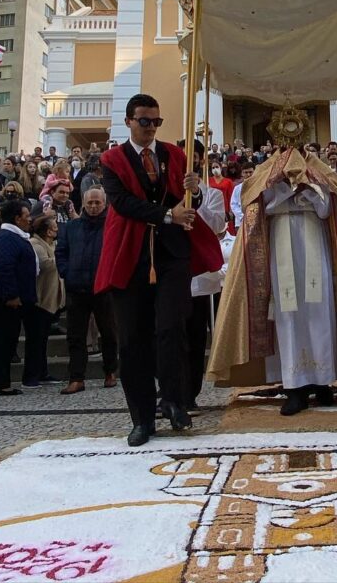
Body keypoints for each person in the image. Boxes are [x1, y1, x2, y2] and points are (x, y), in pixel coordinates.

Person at [208, 144, 337, 417]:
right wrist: (286, 189)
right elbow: (258, 204)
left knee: (320, 313)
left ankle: (322, 380)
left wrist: (308, 189)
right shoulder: (266, 172)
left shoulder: (320, 170)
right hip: (281, 245)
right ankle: (294, 385)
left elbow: (328, 206)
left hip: (315, 245)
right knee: (288, 314)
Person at [94, 94, 222, 447]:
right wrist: (167, 215)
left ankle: (175, 400)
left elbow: (184, 199)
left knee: (171, 328)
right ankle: (142, 417)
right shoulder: (112, 160)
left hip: (171, 255)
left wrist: (194, 194)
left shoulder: (174, 155)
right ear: (129, 121)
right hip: (130, 253)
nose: (151, 128)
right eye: (144, 121)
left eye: (156, 122)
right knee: (133, 338)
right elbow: (123, 203)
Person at [56, 188, 118, 395]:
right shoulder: (71, 227)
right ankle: (76, 377)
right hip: (77, 287)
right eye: (90, 203)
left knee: (109, 332)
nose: (93, 206)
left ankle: (110, 371)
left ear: (104, 204)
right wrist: (66, 272)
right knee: (76, 335)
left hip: (104, 288)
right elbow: (61, 251)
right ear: (83, 204)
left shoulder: (112, 225)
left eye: (97, 203)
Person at [183, 141, 227, 410]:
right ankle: (170, 388)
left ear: (200, 162)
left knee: (194, 338)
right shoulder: (167, 191)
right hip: (172, 275)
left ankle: (189, 391)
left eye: (193, 157)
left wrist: (196, 196)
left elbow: (218, 225)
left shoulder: (213, 194)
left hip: (200, 279)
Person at [0, 201, 39, 397]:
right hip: (8, 299)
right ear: (17, 218)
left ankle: (2, 382)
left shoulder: (13, 236)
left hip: (17, 297)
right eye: (26, 215)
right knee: (4, 340)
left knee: (9, 339)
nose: (29, 219)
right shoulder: (7, 238)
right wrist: (12, 295)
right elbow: (5, 267)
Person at [29, 215, 63, 388]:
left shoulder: (52, 245)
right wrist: (64, 256)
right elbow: (45, 264)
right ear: (48, 231)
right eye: (54, 227)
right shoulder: (35, 244)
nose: (57, 229)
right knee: (37, 339)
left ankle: (42, 372)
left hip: (51, 297)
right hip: (40, 299)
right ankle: (33, 374)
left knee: (42, 339)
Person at [229, 163, 255, 231]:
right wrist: (243, 216)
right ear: (242, 173)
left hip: (256, 220)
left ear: (254, 172)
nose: (248, 174)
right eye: (246, 172)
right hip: (240, 221)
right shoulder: (237, 188)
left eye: (250, 172)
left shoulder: (258, 187)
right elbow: (233, 204)